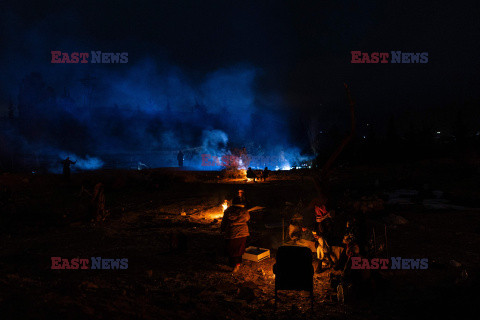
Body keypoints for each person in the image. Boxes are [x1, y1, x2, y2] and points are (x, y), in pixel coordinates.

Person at [221, 195, 250, 273]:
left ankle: (233, 265)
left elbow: (224, 222)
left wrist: (222, 229)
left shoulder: (228, 211)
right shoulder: (244, 211)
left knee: (231, 249)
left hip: (231, 232)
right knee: (239, 248)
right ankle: (237, 264)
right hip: (243, 233)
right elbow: (247, 219)